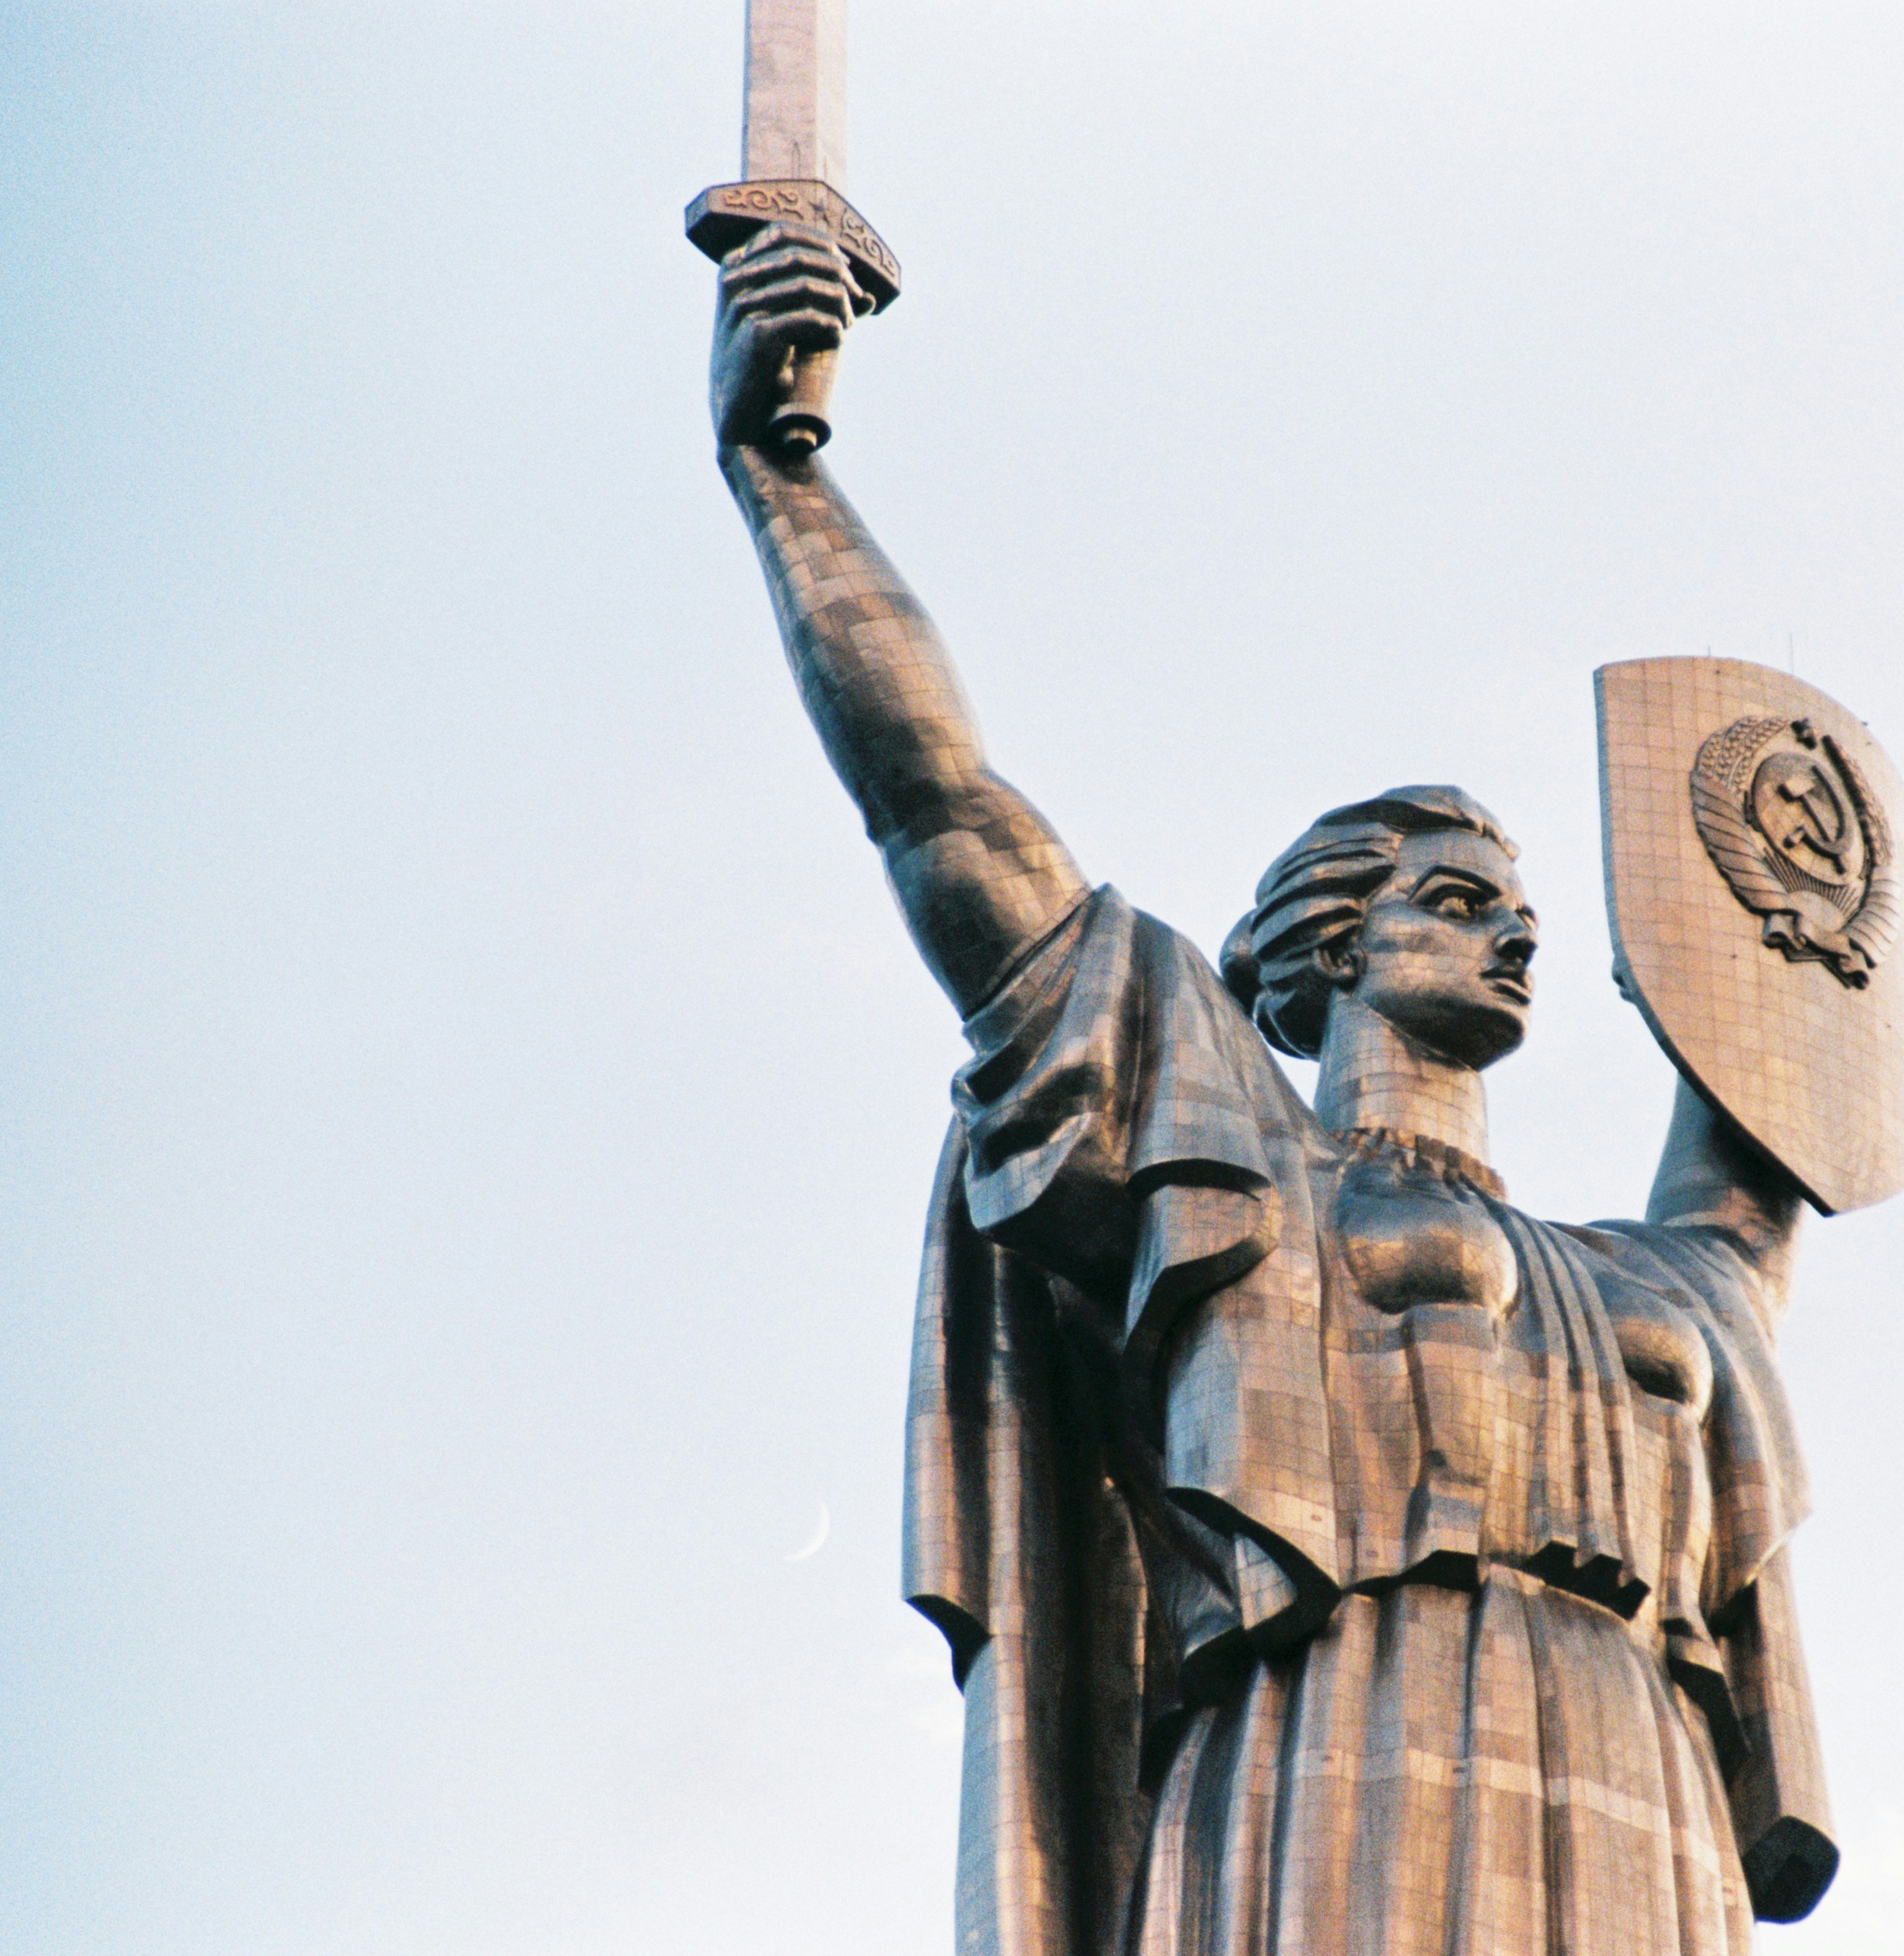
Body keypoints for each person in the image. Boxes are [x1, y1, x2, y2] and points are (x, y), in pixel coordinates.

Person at [712, 221, 1836, 1956]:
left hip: (1639, 1771)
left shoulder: (1659, 1277)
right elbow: (938, 807)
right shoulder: (1228, 1149)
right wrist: (779, 468)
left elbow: (1776, 1084)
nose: (1517, 930)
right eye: (1457, 900)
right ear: (1325, 946)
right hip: (1342, 1731)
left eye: (1526, 908)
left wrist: (1757, 895)